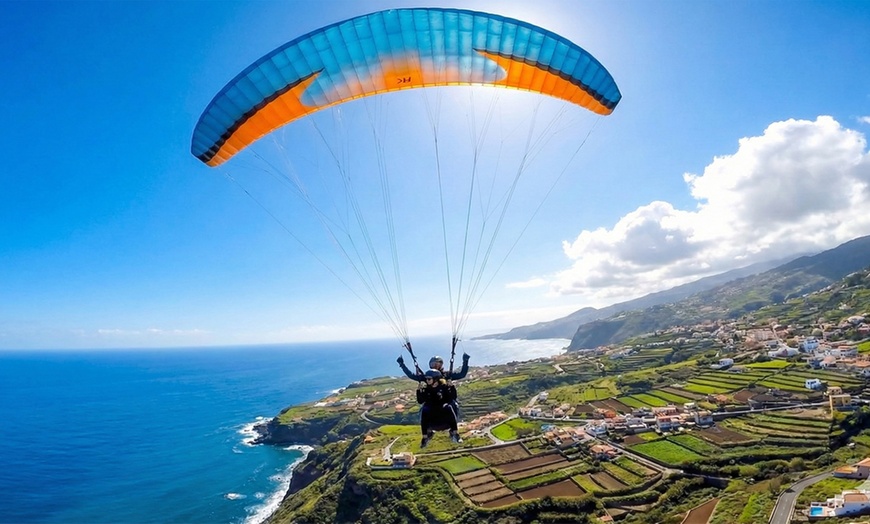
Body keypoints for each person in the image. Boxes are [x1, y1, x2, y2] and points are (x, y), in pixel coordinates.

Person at [416, 369, 461, 447]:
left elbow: (452, 398)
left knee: (449, 407)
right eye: (426, 379)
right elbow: (420, 401)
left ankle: (455, 433)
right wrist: (418, 391)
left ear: (436, 379)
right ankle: (425, 437)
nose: (427, 381)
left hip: (443, 415)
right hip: (432, 417)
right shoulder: (426, 390)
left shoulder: (444, 387)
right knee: (424, 410)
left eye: (429, 379)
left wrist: (452, 387)